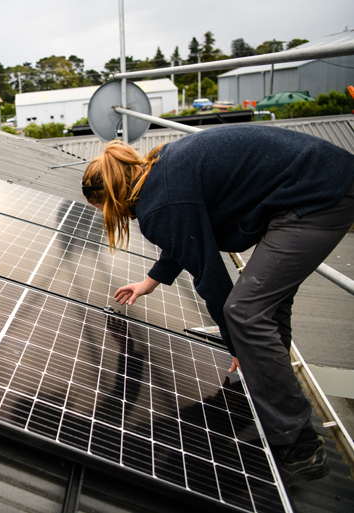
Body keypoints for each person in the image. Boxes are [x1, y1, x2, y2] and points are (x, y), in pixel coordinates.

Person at [81, 124, 354, 486]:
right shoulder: (159, 172)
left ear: (113, 195)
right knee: (263, 309)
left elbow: (210, 277)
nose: (104, 216)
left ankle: (299, 446)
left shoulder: (159, 203)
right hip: (318, 182)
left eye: (100, 208)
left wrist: (236, 344)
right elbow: (186, 233)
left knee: (244, 312)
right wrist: (151, 281)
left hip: (318, 196)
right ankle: (267, 391)